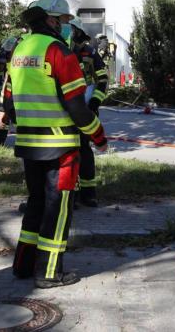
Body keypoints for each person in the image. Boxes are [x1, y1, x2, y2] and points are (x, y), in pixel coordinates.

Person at [4, 0, 108, 288]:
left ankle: (23, 264)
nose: (68, 28)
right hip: (60, 146)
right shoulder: (59, 52)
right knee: (58, 208)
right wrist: (98, 136)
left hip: (28, 145)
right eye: (64, 22)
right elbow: (77, 106)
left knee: (37, 203)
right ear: (50, 20)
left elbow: (9, 101)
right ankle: (50, 272)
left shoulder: (20, 50)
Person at [68, 17, 109, 207]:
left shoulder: (90, 52)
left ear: (78, 31)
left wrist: (94, 103)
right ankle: (72, 194)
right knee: (70, 152)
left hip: (85, 110)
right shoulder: (60, 50)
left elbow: (102, 81)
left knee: (84, 150)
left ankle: (89, 193)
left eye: (71, 28)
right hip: (66, 111)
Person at [0, 36, 20, 146]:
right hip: (6, 95)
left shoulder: (14, 65)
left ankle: (1, 141)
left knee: (4, 119)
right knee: (3, 120)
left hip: (11, 96)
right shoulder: (8, 63)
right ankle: (0, 141)